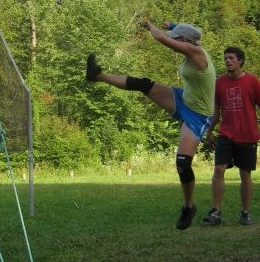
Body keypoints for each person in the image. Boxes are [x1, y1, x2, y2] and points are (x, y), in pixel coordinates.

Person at [86, 21, 216, 230]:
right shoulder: (189, 43)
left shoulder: (196, 52)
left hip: (198, 115)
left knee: (183, 163)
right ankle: (97, 75)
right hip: (184, 99)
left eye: (176, 37)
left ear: (184, 41)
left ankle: (188, 206)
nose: (173, 39)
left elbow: (161, 39)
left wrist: (150, 26)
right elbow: (184, 31)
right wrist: (171, 24)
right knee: (144, 85)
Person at [203, 47, 260, 226]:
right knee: (219, 169)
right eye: (225, 58)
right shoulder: (218, 83)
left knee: (245, 174)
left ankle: (245, 213)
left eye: (231, 58)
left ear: (240, 61)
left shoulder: (252, 81)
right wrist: (209, 130)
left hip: (248, 134)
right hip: (226, 134)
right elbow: (216, 111)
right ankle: (216, 212)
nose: (227, 61)